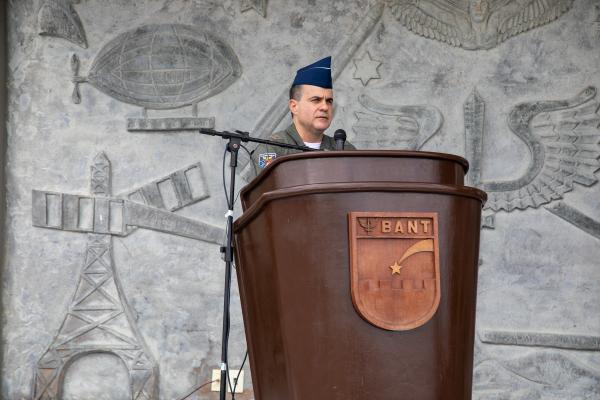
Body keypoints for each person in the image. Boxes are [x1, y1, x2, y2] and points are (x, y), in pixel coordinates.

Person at [251, 56, 355, 173]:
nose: (325, 107)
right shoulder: (272, 149)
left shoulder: (345, 149)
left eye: (329, 101)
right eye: (316, 100)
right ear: (294, 107)